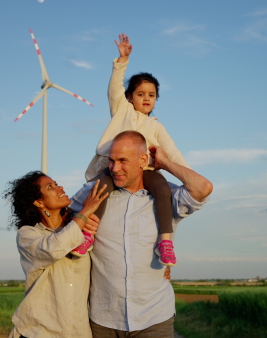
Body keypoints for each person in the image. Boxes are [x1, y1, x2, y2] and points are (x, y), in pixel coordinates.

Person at [71, 130, 213, 337]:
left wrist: (165, 163)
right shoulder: (94, 193)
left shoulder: (167, 197)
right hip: (104, 319)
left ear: (143, 160)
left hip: (154, 318)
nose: (115, 168)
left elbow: (203, 187)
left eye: (123, 161)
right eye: (111, 161)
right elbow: (60, 215)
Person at [85, 33, 191, 267]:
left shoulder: (156, 126)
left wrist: (187, 174)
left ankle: (165, 241)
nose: (146, 98)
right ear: (129, 97)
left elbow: (172, 153)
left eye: (151, 95)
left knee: (163, 188)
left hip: (145, 171)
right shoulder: (122, 111)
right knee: (101, 188)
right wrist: (122, 60)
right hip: (114, 167)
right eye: (140, 94)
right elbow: (114, 88)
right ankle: (88, 234)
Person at [2, 171, 109, 338]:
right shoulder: (28, 235)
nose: (60, 188)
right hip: (38, 332)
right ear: (38, 202)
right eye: (50, 187)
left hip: (78, 332)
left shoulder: (83, 230)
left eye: (56, 183)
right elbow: (54, 249)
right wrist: (84, 212)